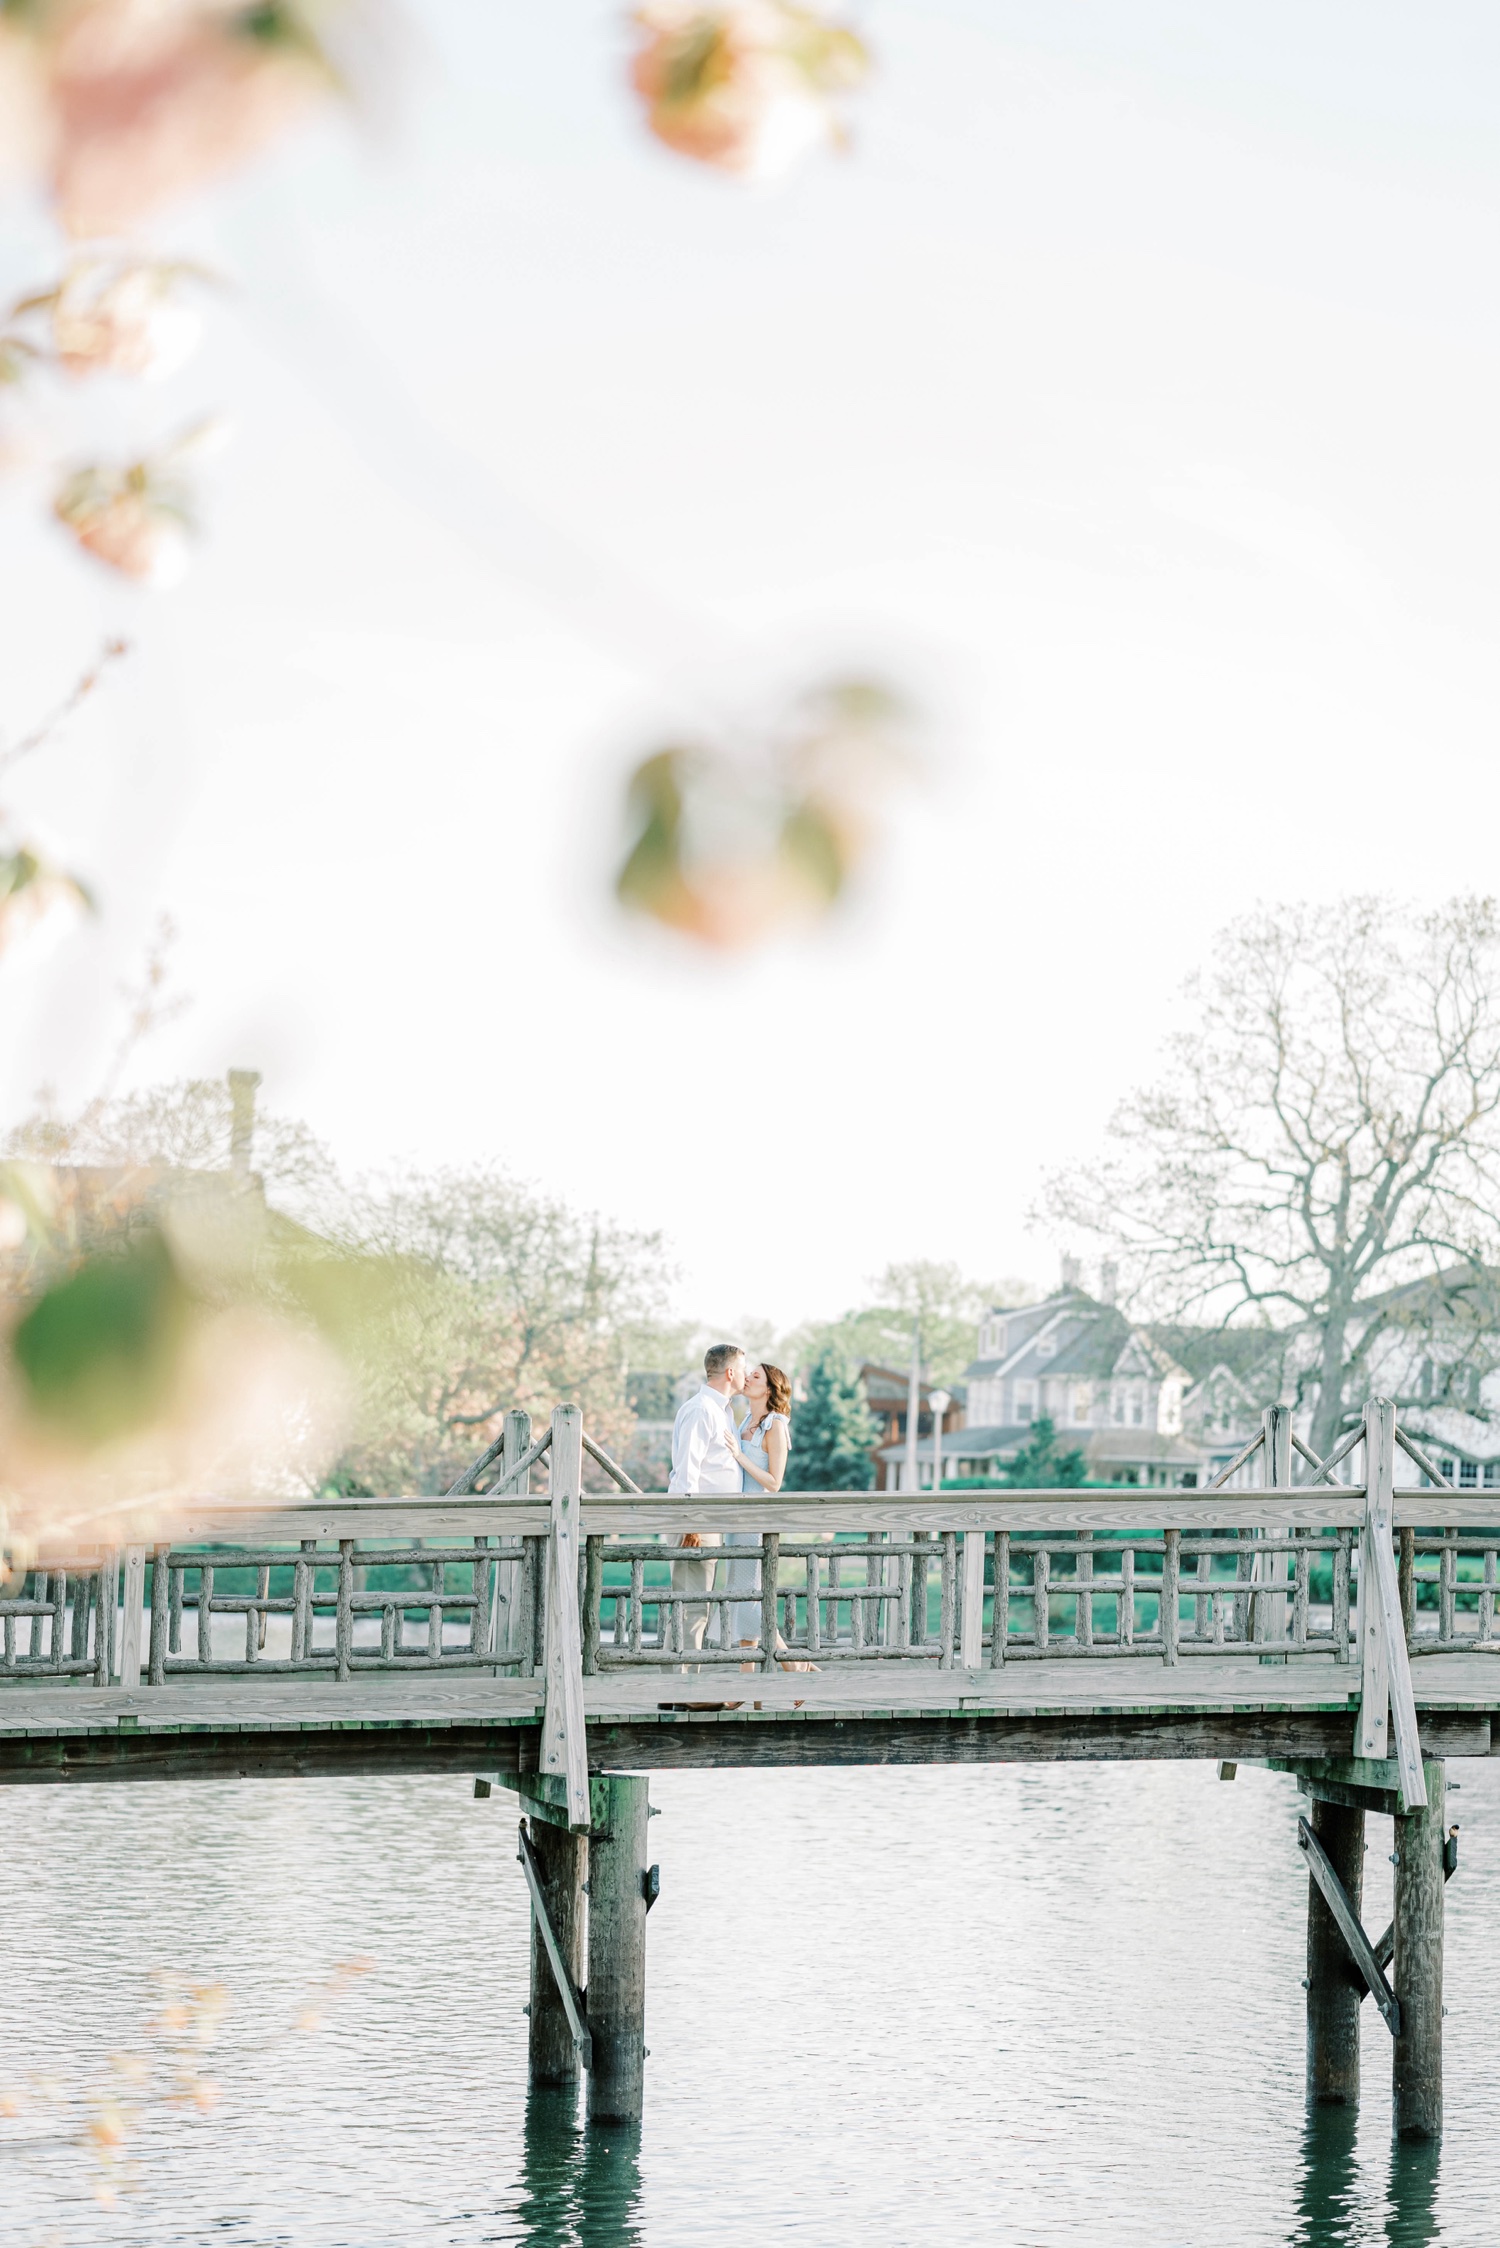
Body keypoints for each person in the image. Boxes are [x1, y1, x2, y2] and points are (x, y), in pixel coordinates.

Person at [668, 1341, 746, 1657]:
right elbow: (688, 1470)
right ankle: (686, 1691)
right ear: (730, 1372)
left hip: (707, 1520)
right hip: (696, 1521)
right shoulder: (702, 1410)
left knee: (693, 1606)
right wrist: (692, 1523)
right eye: (743, 1368)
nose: (747, 1373)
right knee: (691, 1608)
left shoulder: (721, 1412)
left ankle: (676, 1690)